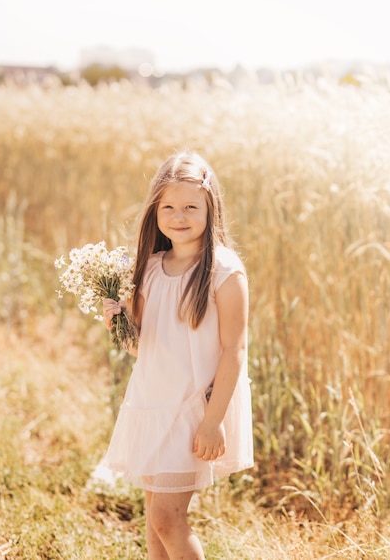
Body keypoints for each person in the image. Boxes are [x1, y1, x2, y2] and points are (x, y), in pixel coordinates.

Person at [102, 151, 253, 560]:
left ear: (210, 208)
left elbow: (233, 350)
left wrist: (212, 420)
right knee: (156, 521)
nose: (179, 216)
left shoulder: (224, 271)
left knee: (168, 517)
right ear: (155, 211)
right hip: (153, 404)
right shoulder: (150, 268)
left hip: (194, 410)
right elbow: (143, 347)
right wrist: (117, 322)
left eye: (191, 206)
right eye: (168, 206)